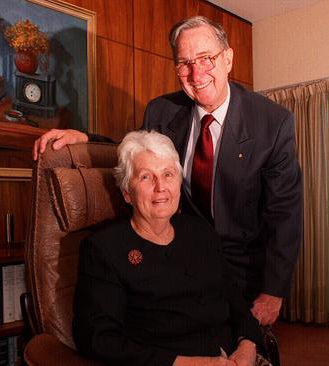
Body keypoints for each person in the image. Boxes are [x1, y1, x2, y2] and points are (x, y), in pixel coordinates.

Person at [35, 16, 302, 326]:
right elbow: (138, 153)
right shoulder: (162, 110)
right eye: (184, 63)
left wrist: (273, 292)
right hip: (177, 258)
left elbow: (285, 214)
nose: (196, 73)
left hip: (242, 269)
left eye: (206, 59)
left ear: (228, 58)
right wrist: (85, 139)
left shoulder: (273, 122)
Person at [73, 130, 267, 366]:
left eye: (168, 174)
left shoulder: (200, 232)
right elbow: (98, 339)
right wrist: (191, 364)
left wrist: (248, 344)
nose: (160, 187)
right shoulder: (103, 249)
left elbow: (235, 300)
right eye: (146, 177)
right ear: (126, 193)